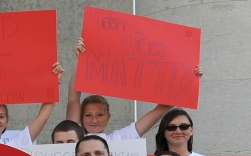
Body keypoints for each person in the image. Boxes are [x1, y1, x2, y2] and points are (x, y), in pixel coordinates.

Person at [65, 38, 199, 140]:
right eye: (88, 115)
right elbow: (73, 100)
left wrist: (190, 76)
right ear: (81, 117)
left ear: (108, 117)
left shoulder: (120, 139)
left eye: (100, 114)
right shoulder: (73, 138)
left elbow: (160, 109)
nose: (94, 120)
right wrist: (81, 59)